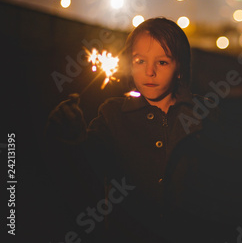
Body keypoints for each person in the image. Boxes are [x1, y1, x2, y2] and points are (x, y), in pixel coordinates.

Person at [45, 17, 229, 243]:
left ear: (180, 67)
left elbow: (224, 188)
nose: (149, 72)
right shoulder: (112, 115)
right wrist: (71, 135)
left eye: (162, 62)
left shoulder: (205, 113)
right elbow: (85, 169)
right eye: (140, 61)